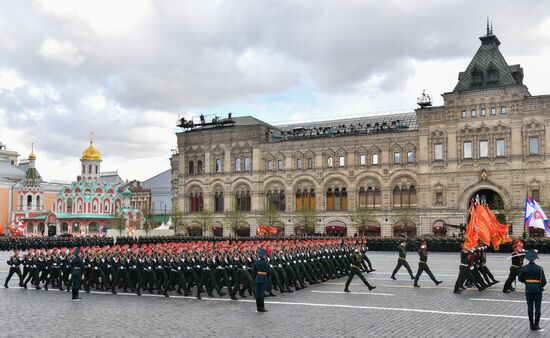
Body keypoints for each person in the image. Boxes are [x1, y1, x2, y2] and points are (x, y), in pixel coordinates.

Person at [518, 250, 546, 331]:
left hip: (528, 289)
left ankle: (531, 325)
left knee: (530, 307)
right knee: (538, 307)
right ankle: (536, 325)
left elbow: (520, 278)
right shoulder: (539, 268)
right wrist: (539, 285)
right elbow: (544, 281)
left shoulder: (524, 268)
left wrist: (527, 282)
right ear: (535, 259)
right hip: (538, 289)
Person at [253, 248, 270, 312]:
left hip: (258, 278)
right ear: (264, 255)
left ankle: (258, 308)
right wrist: (267, 277)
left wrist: (256, 276)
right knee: (261, 294)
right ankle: (262, 308)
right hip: (263, 278)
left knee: (257, 294)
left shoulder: (256, 262)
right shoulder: (266, 262)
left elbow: (254, 271)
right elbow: (268, 271)